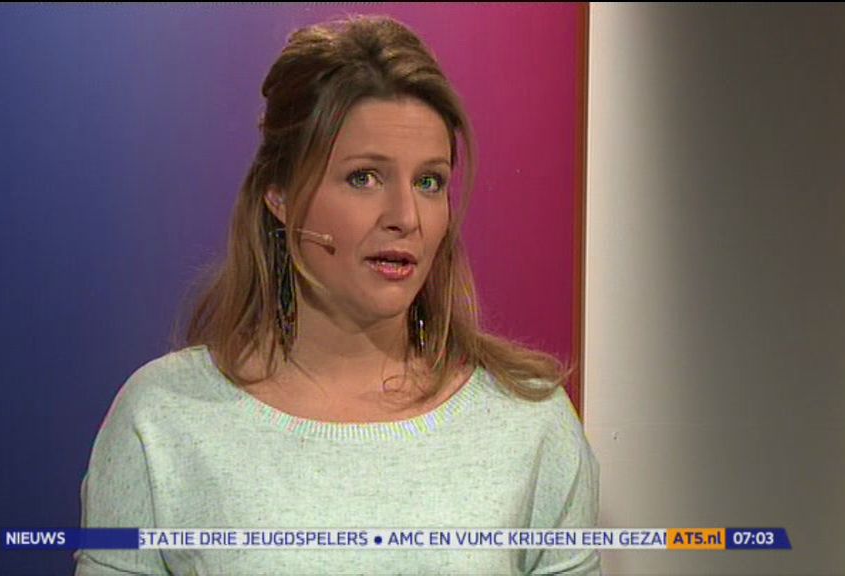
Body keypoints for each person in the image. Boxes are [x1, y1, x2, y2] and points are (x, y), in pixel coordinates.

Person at [75, 13, 600, 576]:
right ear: (279, 195)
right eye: (363, 177)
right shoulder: (161, 420)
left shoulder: (530, 425)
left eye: (429, 182)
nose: (405, 217)